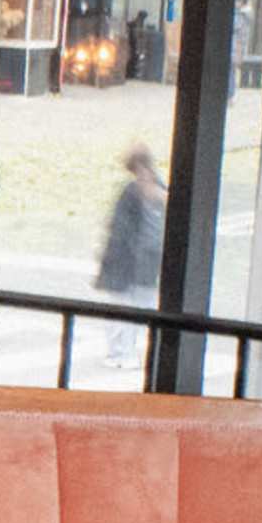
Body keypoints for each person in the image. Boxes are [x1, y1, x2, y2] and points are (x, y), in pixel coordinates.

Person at [97, 143, 164, 364]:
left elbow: (118, 229)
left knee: (126, 309)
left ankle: (121, 353)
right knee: (132, 308)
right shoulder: (154, 190)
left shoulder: (135, 192)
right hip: (142, 262)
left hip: (136, 262)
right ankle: (121, 353)